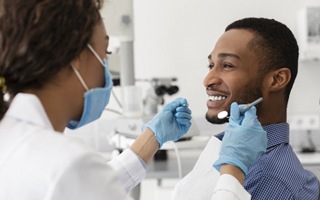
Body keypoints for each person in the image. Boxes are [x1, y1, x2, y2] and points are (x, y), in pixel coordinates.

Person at [0, 0, 267, 199]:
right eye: (105, 52)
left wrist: (152, 138)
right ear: (77, 59)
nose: (106, 65)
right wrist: (233, 169)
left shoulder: (14, 142)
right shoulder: (68, 166)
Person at [172, 17, 320, 200]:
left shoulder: (269, 178)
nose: (208, 79)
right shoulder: (230, 151)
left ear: (277, 79)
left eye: (227, 65)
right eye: (211, 65)